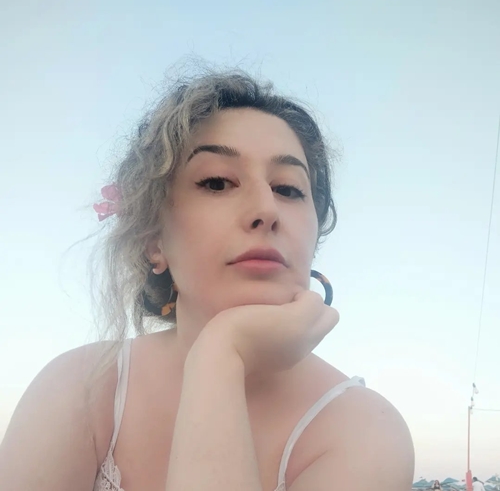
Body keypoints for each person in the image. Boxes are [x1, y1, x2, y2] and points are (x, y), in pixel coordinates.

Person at [0, 67, 414, 490]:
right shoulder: (82, 387)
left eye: (288, 189)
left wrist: (221, 352)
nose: (266, 209)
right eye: (216, 182)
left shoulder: (365, 430)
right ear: (154, 241)